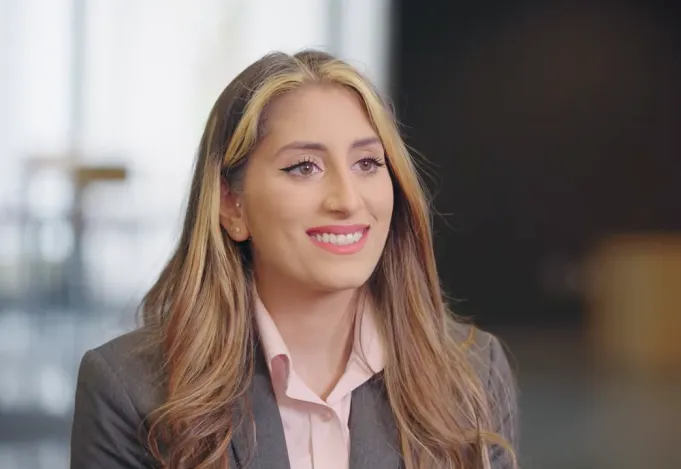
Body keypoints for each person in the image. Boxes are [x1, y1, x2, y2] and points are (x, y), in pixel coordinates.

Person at [69, 49, 518, 469]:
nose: (347, 199)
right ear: (231, 205)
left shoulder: (471, 373)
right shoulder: (130, 392)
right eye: (304, 166)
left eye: (367, 163)